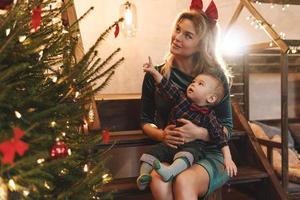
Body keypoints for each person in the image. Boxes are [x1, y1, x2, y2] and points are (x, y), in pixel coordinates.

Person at [139, 0, 236, 199]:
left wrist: (200, 133)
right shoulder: (156, 75)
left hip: (210, 151)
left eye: (187, 35)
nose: (177, 37)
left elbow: (227, 127)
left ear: (201, 44)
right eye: (177, 30)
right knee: (158, 180)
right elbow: (145, 120)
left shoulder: (215, 78)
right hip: (171, 148)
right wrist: (161, 135)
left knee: (184, 181)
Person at [137, 57, 236, 190]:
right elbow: (167, 87)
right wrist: (154, 72)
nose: (194, 84)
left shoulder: (209, 117)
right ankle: (143, 176)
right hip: (170, 143)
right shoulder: (181, 99)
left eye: (200, 84)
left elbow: (221, 138)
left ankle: (170, 171)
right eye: (194, 82)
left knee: (186, 156)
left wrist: (228, 159)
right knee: (151, 154)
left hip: (192, 147)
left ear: (211, 98)